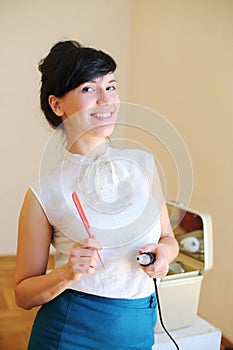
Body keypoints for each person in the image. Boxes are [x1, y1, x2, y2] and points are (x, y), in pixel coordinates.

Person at [14, 40, 179, 350]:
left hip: (139, 330)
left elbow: (168, 239)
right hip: (69, 334)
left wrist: (164, 256)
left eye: (111, 86)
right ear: (57, 105)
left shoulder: (145, 165)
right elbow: (22, 294)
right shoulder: (43, 193)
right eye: (89, 89)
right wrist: (66, 272)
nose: (107, 100)